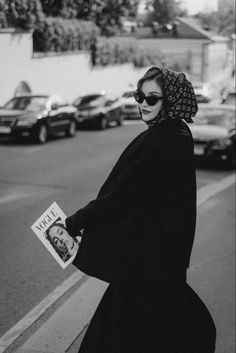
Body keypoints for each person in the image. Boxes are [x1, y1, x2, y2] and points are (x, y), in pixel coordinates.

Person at [65, 67, 216, 353]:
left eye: (152, 98)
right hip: (158, 260)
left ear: (170, 101)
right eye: (139, 96)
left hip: (147, 265)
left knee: (121, 335)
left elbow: (120, 193)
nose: (143, 104)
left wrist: (74, 222)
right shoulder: (178, 132)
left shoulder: (162, 139)